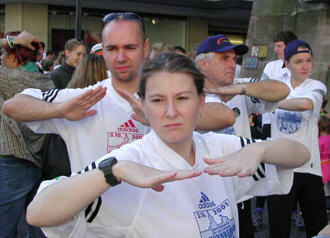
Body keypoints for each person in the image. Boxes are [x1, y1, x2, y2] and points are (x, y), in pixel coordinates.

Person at [25, 53, 310, 237]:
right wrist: (113, 173)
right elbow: (39, 213)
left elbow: (299, 154)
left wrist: (259, 149)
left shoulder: (217, 148)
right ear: (144, 107)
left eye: (183, 98)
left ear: (201, 104)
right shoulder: (128, 160)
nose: (171, 112)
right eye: (159, 100)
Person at [3, 12, 235, 173]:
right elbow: (13, 105)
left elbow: (226, 115)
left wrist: (159, 115)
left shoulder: (170, 96)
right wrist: (61, 110)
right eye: (112, 49)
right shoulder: (86, 99)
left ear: (145, 47)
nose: (121, 57)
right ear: (103, 50)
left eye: (130, 48)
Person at [195, 34, 290, 238]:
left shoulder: (241, 86)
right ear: (203, 64)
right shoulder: (188, 92)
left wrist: (239, 89)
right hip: (204, 194)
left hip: (240, 192)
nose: (232, 64)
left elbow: (282, 90)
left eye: (233, 59)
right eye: (224, 58)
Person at [267, 39, 328, 238]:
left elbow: (306, 104)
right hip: (280, 167)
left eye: (309, 61)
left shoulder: (316, 85)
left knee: (317, 228)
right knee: (278, 229)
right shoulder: (276, 85)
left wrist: (271, 102)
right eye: (298, 61)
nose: (305, 66)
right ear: (286, 63)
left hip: (310, 167)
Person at [0, 31, 54, 237]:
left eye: (3, 56)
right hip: (37, 162)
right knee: (35, 228)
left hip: (8, 163)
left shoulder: (8, 78)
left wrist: (10, 41)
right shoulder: (47, 82)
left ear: (13, 58)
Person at [254, 30, 298, 230]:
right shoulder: (271, 66)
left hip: (292, 124)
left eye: (279, 45)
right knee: (269, 167)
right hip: (270, 121)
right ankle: (261, 212)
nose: (275, 49)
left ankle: (294, 211)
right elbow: (263, 88)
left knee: (292, 166)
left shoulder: (299, 67)